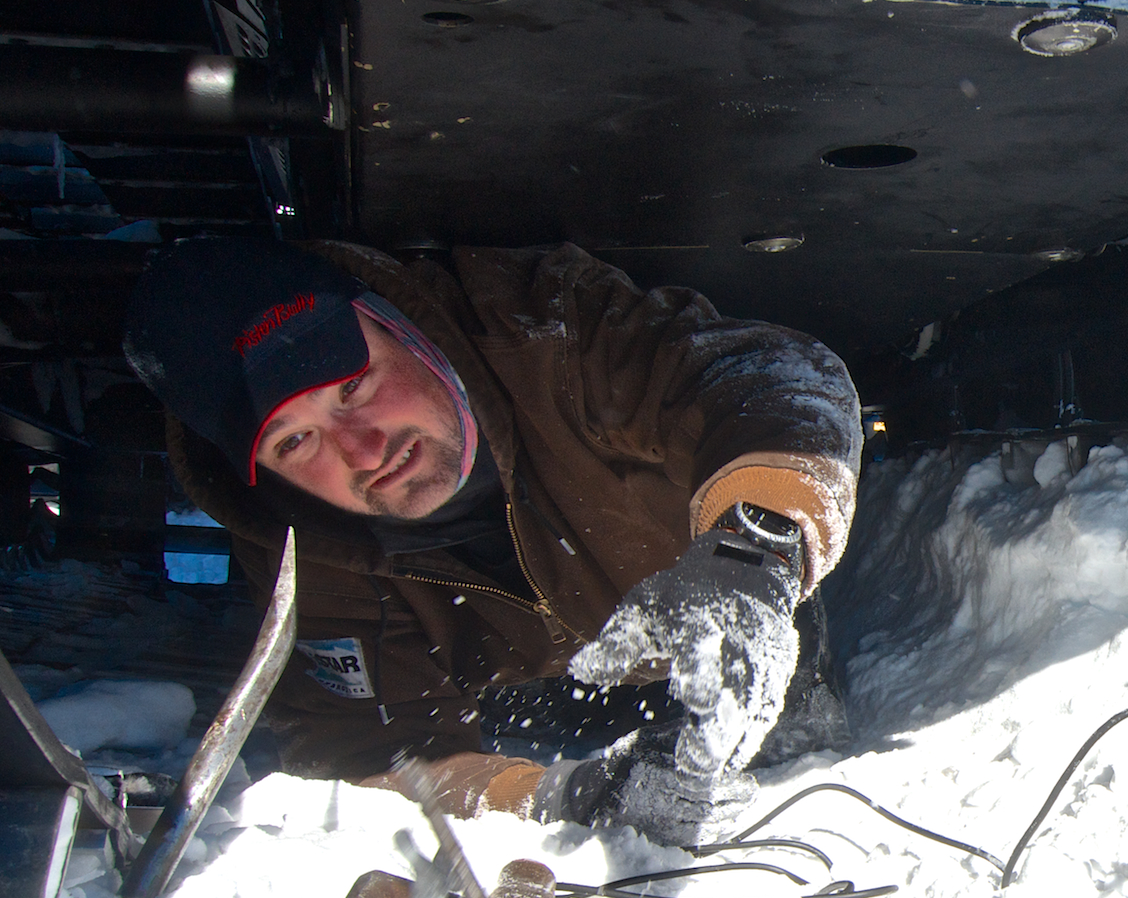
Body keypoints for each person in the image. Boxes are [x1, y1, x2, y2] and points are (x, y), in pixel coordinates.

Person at [122, 237, 861, 846]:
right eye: (297, 439)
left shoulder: (546, 328)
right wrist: (558, 794)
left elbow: (775, 381)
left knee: (797, 749)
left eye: (353, 386)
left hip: (719, 593)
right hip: (540, 691)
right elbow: (369, 749)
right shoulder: (302, 548)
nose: (364, 447)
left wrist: (750, 553)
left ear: (397, 324)